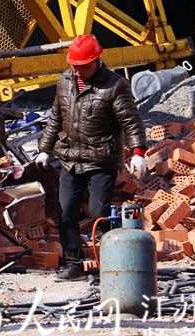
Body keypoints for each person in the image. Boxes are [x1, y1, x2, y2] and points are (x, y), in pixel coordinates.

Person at [35, 34, 147, 281]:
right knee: (66, 212)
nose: (77, 71)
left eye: (83, 66)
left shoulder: (114, 86)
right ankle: (73, 263)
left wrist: (138, 152)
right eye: (74, 65)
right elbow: (56, 117)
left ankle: (111, 259)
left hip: (101, 160)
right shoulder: (64, 81)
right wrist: (45, 148)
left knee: (98, 213)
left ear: (97, 61)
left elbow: (131, 121)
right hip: (70, 159)